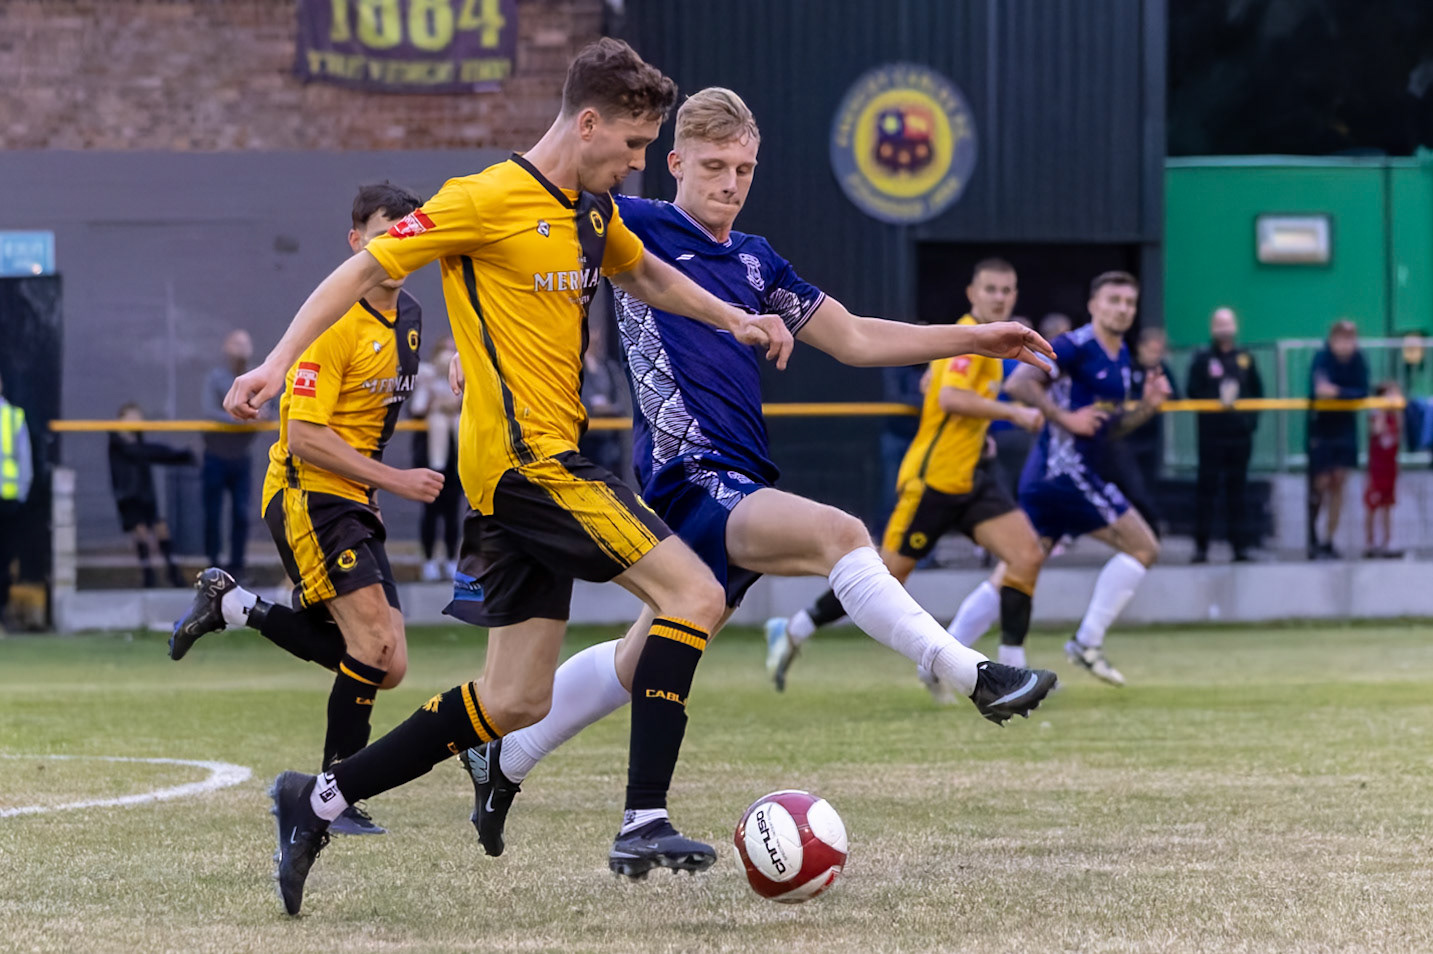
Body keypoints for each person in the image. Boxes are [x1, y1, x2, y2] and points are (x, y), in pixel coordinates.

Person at [219, 41, 801, 915]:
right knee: (694, 595)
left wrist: (731, 316)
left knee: (515, 699)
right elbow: (362, 269)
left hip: (528, 475)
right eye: (636, 144)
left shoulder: (594, 209)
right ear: (590, 121)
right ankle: (643, 817)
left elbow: (640, 269)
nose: (641, 162)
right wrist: (275, 362)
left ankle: (319, 797)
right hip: (529, 466)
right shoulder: (486, 198)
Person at [452, 88, 1057, 863]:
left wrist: (976, 337)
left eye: (743, 168)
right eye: (713, 166)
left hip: (741, 471)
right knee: (839, 533)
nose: (730, 183)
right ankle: (968, 670)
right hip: (686, 472)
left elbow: (857, 338)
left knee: (643, 659)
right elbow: (514, 225)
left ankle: (505, 756)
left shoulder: (756, 258)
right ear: (672, 163)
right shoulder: (628, 225)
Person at [169, 183, 439, 837]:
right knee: (373, 645)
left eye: (411, 231)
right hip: (306, 494)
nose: (399, 243)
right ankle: (331, 793)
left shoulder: (411, 318)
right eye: (384, 230)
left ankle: (235, 606)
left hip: (353, 500)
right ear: (356, 241)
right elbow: (303, 438)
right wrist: (397, 480)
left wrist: (458, 366)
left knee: (388, 662)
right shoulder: (331, 324)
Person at [767, 258, 1048, 693]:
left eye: (1007, 290)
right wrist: (1013, 412)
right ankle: (793, 628)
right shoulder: (967, 336)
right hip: (931, 482)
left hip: (971, 479)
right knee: (884, 578)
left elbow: (942, 397)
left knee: (1026, 555)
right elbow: (953, 397)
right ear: (972, 293)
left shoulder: (989, 347)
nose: (1000, 297)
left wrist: (981, 436)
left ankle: (1015, 666)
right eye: (991, 289)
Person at [1000, 272, 1170, 686]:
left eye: (1129, 302)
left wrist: (1147, 407)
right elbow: (1017, 382)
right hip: (1065, 472)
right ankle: (1086, 640)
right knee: (1144, 546)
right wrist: (1064, 418)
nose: (1123, 309)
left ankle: (949, 655)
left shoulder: (1122, 358)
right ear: (1093, 304)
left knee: (1018, 567)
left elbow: (1106, 428)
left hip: (1060, 474)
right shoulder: (1074, 345)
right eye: (1113, 300)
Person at [1185, 307, 1263, 562]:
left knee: (1237, 492)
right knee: (1206, 490)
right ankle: (1201, 548)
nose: (1224, 328)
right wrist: (1217, 401)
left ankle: (1239, 548)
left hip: (1239, 437)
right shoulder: (1202, 359)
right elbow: (1192, 391)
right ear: (1212, 328)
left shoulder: (1245, 358)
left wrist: (1249, 423)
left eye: (1228, 323)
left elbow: (1257, 393)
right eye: (1219, 323)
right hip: (1211, 436)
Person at [107, 403, 193, 588]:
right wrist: (176, 455)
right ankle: (148, 577)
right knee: (140, 532)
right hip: (129, 495)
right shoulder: (117, 441)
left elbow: (151, 453)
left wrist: (179, 456)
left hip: (145, 493)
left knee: (161, 529)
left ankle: (173, 572)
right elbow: (142, 452)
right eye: (132, 417)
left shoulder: (138, 439)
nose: (137, 421)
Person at [1104, 327, 1178, 536]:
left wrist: (1162, 393)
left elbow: (1175, 395)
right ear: (1140, 348)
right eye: (1151, 350)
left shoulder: (1161, 370)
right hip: (1125, 438)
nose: (1155, 356)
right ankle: (1140, 529)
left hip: (1151, 438)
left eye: (1159, 352)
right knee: (1134, 488)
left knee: (1148, 486)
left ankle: (1149, 531)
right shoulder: (1126, 368)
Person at [1307, 320, 1369, 560]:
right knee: (1321, 483)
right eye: (1341, 338)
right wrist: (1338, 393)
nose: (1346, 344)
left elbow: (1362, 391)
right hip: (1322, 429)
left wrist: (1339, 393)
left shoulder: (1359, 361)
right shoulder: (1322, 359)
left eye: (1350, 338)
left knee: (1339, 482)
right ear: (1332, 339)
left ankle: (1329, 539)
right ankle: (1312, 535)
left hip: (1345, 429)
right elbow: (1318, 390)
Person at [201, 330, 258, 579]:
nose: (242, 348)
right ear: (226, 347)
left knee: (241, 514)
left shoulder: (257, 376)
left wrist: (259, 412)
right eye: (237, 343)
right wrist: (241, 418)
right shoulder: (215, 378)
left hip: (241, 457)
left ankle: (237, 568)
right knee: (213, 514)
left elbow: (269, 408)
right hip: (215, 456)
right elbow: (209, 411)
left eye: (246, 343)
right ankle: (213, 567)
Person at [409, 337, 463, 581]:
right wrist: (434, 400)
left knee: (453, 512)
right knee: (431, 511)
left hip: (456, 454)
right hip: (429, 456)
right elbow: (416, 411)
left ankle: (452, 558)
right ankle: (429, 559)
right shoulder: (426, 382)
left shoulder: (464, 384)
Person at [0, 371, 34, 628]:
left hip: (6, 500)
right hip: (9, 500)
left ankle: (1, 613)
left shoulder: (12, 416)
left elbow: (24, 459)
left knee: (3, 559)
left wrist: (21, 492)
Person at [1363, 380, 1402, 558]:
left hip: (1390, 467)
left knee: (1387, 505)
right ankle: (1370, 543)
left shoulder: (1396, 416)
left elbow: (1398, 436)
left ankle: (1387, 542)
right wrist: (1382, 411)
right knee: (1372, 505)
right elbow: (1377, 431)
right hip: (1376, 468)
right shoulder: (1377, 414)